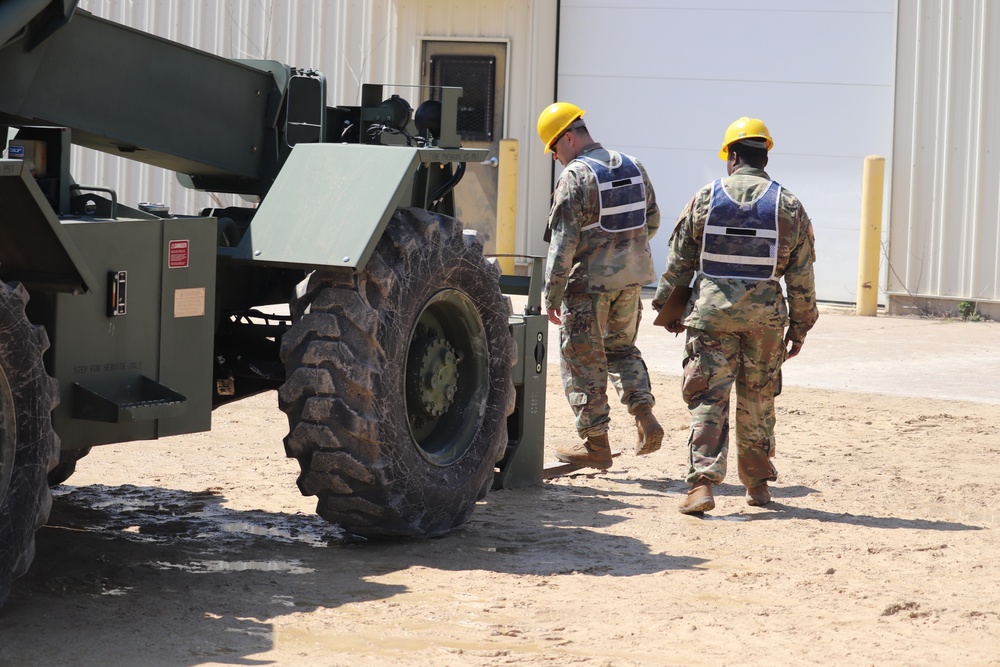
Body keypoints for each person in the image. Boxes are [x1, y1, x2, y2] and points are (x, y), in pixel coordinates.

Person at [652, 116, 818, 513]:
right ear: (764, 157)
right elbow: (802, 275)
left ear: (732, 157)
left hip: (712, 315)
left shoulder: (706, 198)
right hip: (765, 322)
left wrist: (668, 309)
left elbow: (679, 262)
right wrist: (801, 325)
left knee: (708, 398)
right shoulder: (789, 205)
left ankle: (703, 485)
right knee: (758, 398)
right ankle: (758, 485)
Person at [536, 101, 663, 469]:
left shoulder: (576, 176)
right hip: (631, 279)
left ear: (570, 138)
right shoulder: (633, 165)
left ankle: (596, 445)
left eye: (555, 149)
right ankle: (643, 414)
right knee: (621, 350)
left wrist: (552, 294)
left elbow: (563, 244)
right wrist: (624, 251)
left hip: (588, 286)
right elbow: (650, 221)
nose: (557, 158)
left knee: (581, 363)